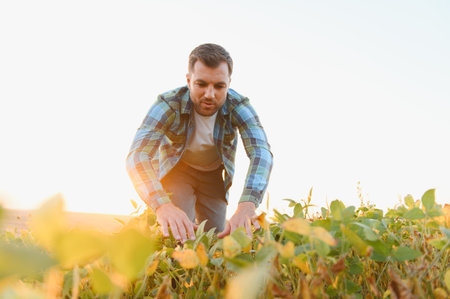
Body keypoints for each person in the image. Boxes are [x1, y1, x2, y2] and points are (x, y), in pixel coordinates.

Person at [126, 43, 273, 242]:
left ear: (229, 83)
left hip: (213, 176)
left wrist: (248, 205)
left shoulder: (238, 106)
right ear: (189, 80)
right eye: (201, 84)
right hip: (178, 169)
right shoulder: (168, 104)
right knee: (180, 233)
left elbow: (261, 152)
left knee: (214, 238)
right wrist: (163, 206)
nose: (210, 94)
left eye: (219, 86)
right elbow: (137, 155)